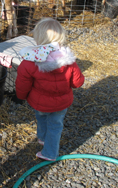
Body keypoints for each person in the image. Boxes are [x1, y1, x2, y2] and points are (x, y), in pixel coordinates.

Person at [15, 18, 85, 161]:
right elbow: (78, 83)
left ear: (38, 39)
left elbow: (23, 83)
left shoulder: (30, 61)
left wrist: (21, 96)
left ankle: (44, 143)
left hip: (39, 102)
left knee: (41, 117)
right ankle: (49, 150)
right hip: (61, 104)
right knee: (55, 126)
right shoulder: (69, 60)